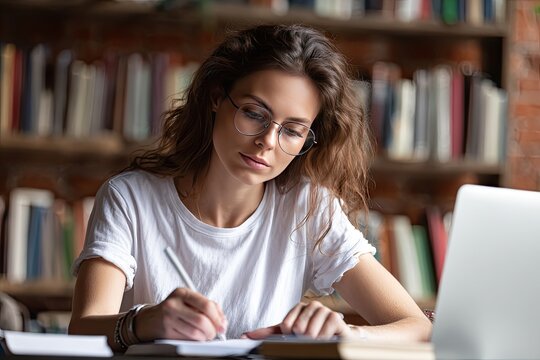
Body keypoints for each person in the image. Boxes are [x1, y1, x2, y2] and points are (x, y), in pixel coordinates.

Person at [68, 24, 432, 351]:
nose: (268, 142)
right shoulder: (130, 199)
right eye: (254, 113)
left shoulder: (308, 208)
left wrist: (347, 334)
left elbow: (416, 326)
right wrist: (143, 322)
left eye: (292, 130)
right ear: (216, 96)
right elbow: (82, 329)